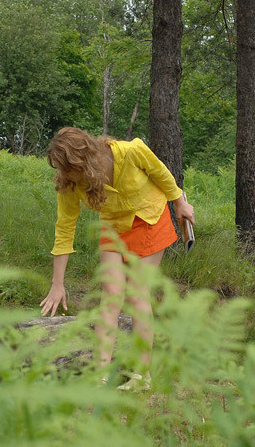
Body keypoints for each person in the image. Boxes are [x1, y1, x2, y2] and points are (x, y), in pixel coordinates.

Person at [39, 127, 195, 390]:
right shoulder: (69, 184)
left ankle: (141, 376)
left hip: (149, 219)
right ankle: (99, 375)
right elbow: (65, 228)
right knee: (111, 295)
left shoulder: (130, 152)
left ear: (84, 161)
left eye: (67, 167)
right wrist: (57, 283)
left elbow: (160, 173)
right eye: (60, 168)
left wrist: (179, 202)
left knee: (136, 294)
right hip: (113, 226)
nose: (63, 174)